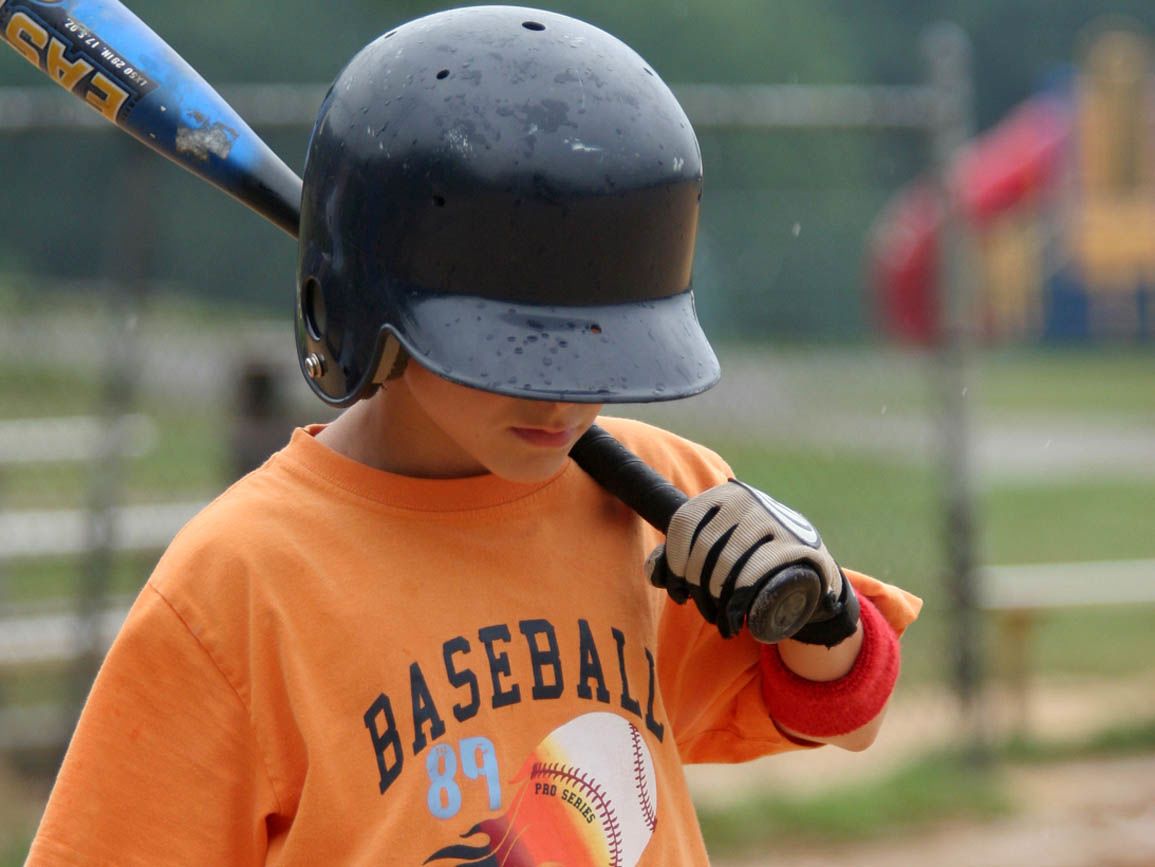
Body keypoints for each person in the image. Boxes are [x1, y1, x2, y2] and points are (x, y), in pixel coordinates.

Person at [26, 6, 921, 865]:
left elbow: (842, 715)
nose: (564, 401)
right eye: (516, 353)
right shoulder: (243, 580)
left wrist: (825, 613)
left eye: (601, 351)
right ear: (367, 314)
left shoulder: (656, 494)